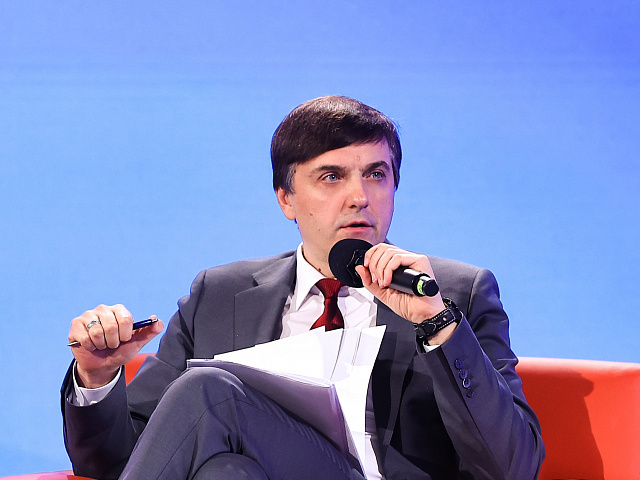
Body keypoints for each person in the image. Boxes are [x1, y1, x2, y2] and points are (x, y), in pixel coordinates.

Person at [62, 95, 545, 480]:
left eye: (376, 175)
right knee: (223, 472)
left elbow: (513, 468)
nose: (359, 196)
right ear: (286, 199)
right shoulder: (218, 294)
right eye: (332, 177)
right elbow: (127, 459)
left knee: (211, 390)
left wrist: (436, 322)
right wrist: (98, 376)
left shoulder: (452, 292)